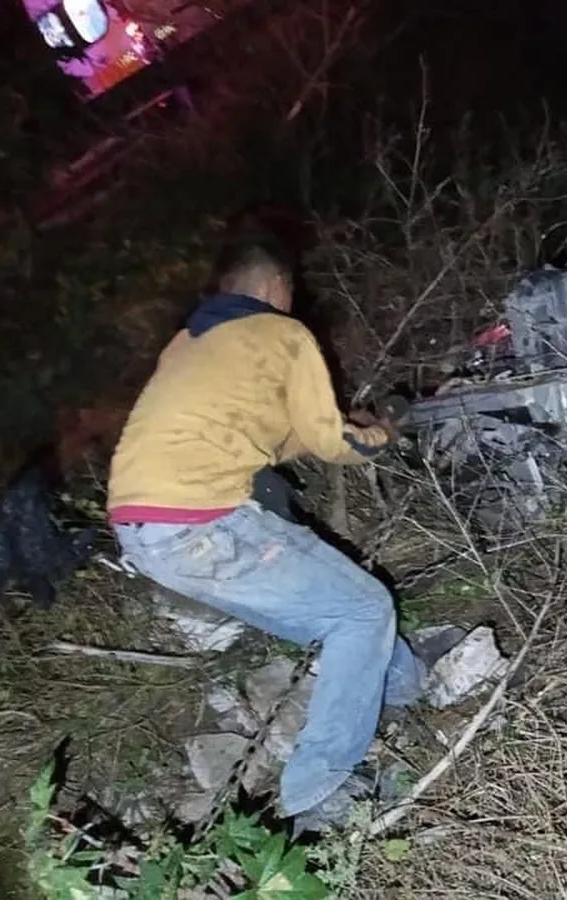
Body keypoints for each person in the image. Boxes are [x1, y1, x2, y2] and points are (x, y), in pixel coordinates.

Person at [106, 232, 424, 825]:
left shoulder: (190, 343)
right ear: (276, 288)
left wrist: (338, 425)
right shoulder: (281, 332)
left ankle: (405, 684)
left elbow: (274, 437)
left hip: (143, 532)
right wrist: (383, 434)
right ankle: (319, 793)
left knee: (333, 611)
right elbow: (336, 442)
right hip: (203, 519)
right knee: (362, 610)